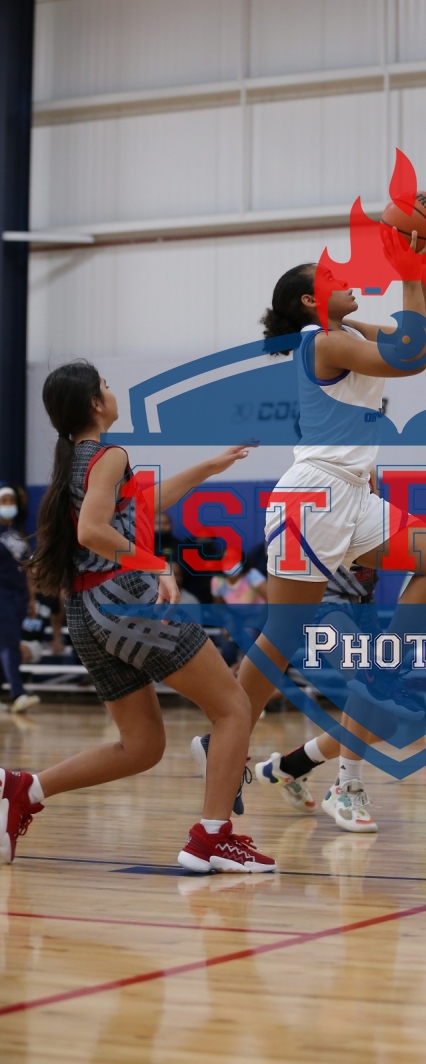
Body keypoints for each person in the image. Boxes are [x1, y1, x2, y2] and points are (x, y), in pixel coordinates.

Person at [193, 261, 426, 833]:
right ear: (311, 303)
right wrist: (411, 275)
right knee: (283, 635)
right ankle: (223, 737)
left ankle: (382, 673)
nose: (347, 278)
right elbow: (407, 357)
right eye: (332, 279)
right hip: (312, 496)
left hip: (354, 494)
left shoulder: (350, 333)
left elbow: (420, 349)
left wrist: (420, 273)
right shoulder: (323, 343)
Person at [0, 360, 274, 873]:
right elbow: (92, 530)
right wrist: (155, 563)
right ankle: (212, 838)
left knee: (142, 745)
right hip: (124, 603)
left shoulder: (77, 461)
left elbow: (139, 506)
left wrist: (209, 468)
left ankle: (24, 790)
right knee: (234, 707)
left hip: (87, 614)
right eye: (104, 385)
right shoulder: (110, 454)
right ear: (94, 404)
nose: (111, 390)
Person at [0, 484, 40, 713]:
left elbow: (27, 570)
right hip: (2, 594)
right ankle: (19, 693)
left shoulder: (17, 533)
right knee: (10, 643)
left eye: (11, 501)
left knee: (6, 644)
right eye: (4, 501)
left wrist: (31, 598)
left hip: (19, 596)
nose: (8, 505)